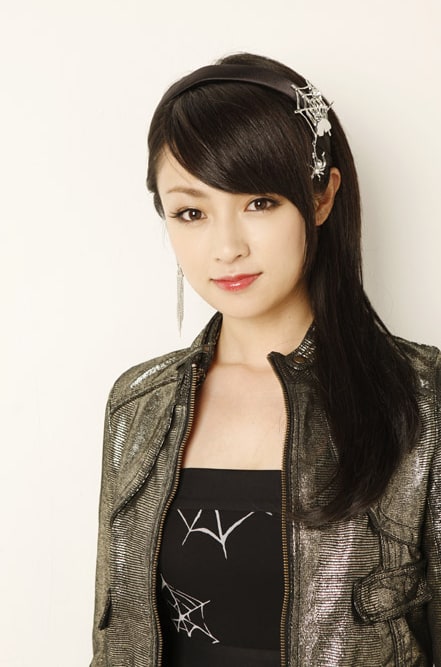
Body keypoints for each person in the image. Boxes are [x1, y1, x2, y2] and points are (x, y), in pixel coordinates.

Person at [91, 53, 440, 667]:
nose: (226, 247)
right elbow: (115, 642)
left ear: (322, 197)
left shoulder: (420, 399)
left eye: (259, 203)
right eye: (192, 212)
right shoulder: (139, 403)